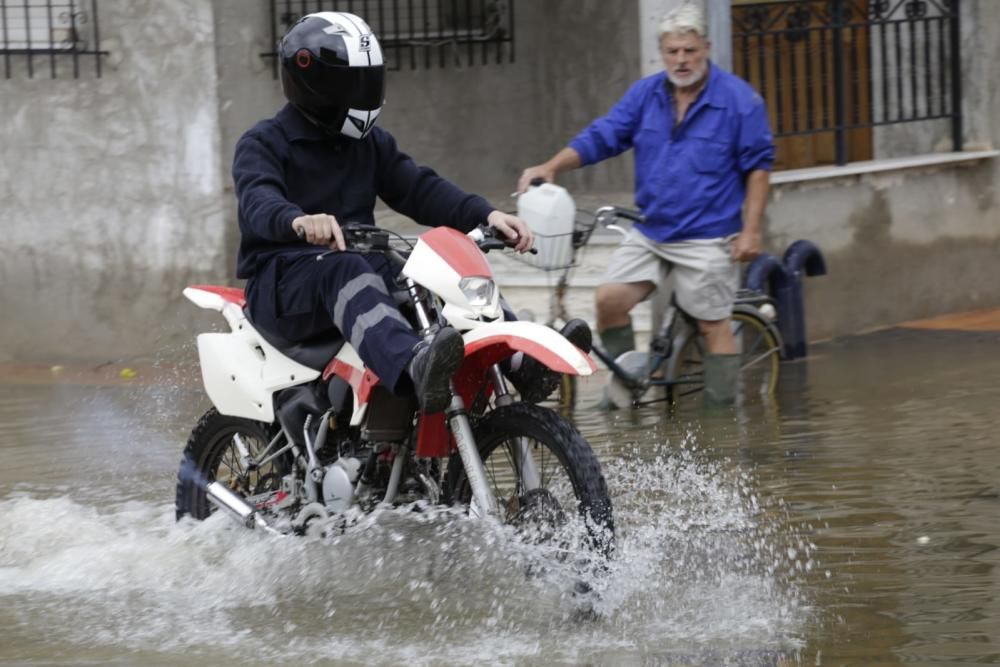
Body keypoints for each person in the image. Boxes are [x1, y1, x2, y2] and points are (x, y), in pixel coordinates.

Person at [234, 11, 587, 415]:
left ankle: (522, 363)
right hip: (284, 284)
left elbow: (419, 188)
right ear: (318, 85)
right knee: (346, 269)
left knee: (441, 266)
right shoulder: (263, 142)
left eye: (369, 82)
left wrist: (486, 216)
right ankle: (412, 368)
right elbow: (258, 199)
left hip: (355, 267)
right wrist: (297, 220)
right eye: (353, 84)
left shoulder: (370, 144)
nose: (363, 95)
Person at [517, 4, 774, 405]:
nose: (681, 59)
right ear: (662, 52)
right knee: (608, 301)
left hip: (707, 235)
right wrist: (553, 166)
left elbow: (758, 169)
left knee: (711, 324)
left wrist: (752, 229)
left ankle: (720, 424)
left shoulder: (739, 101)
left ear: (705, 48)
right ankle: (629, 388)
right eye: (673, 51)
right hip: (652, 229)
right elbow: (604, 135)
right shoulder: (647, 94)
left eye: (689, 50)